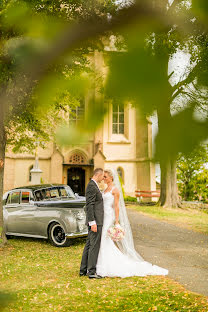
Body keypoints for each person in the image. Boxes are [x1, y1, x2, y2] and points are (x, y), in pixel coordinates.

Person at [96, 169, 168, 278]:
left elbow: (116, 207)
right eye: (103, 176)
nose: (104, 178)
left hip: (109, 216)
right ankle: (101, 263)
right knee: (103, 239)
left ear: (111, 178)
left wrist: (116, 222)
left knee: (104, 238)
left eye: (105, 176)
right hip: (103, 215)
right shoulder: (105, 189)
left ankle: (106, 265)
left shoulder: (115, 190)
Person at [80, 168, 104, 279]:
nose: (102, 179)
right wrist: (92, 222)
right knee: (94, 246)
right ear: (98, 175)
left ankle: (83, 270)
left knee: (89, 245)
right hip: (95, 221)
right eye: (102, 176)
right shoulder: (91, 186)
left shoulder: (93, 185)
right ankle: (91, 272)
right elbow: (89, 205)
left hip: (95, 220)